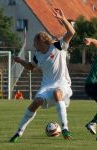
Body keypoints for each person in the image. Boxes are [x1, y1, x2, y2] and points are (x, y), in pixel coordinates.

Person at [10, 8, 75, 142]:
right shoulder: (38, 55)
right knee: (36, 102)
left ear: (41, 41)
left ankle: (65, 128)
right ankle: (19, 132)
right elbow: (30, 67)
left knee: (58, 93)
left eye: (35, 42)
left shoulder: (57, 46)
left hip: (62, 84)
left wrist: (63, 19)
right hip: (46, 86)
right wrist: (21, 61)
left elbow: (71, 32)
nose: (33, 45)